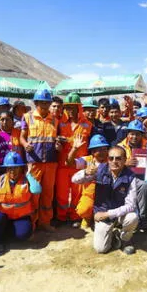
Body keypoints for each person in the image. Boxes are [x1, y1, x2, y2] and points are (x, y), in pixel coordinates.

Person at [19, 89, 60, 232]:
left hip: (50, 162)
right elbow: (22, 137)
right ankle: (32, 223)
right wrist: (25, 145)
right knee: (34, 194)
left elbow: (55, 140)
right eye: (41, 102)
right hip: (34, 162)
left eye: (47, 102)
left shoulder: (55, 120)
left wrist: (57, 145)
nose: (44, 105)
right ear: (36, 103)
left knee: (48, 194)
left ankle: (45, 221)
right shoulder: (27, 117)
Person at [0, 152, 38, 252]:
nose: (12, 171)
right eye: (9, 168)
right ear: (6, 169)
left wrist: (29, 175)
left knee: (24, 234)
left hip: (20, 217)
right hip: (2, 216)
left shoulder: (26, 179)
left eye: (16, 168)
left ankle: (6, 234)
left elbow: (36, 190)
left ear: (21, 168)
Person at [91, 146, 138, 255]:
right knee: (101, 249)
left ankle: (125, 239)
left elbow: (131, 205)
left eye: (118, 158)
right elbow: (75, 180)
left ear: (125, 160)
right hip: (102, 212)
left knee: (133, 217)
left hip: (115, 214)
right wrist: (85, 173)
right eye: (111, 158)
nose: (114, 161)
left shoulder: (131, 176)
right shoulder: (99, 170)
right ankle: (113, 234)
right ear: (107, 159)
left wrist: (108, 214)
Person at [55, 93, 92, 227]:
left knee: (77, 192)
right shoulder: (60, 124)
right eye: (68, 107)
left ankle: (75, 216)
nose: (70, 110)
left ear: (79, 108)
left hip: (79, 164)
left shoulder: (87, 125)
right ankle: (61, 216)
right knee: (62, 193)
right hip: (63, 163)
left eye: (73, 107)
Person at [71, 134, 110, 228]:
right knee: (83, 210)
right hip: (90, 195)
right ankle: (88, 218)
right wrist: (74, 149)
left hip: (107, 195)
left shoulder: (111, 159)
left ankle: (98, 218)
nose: (103, 152)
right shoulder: (87, 160)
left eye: (104, 149)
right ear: (92, 151)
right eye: (99, 150)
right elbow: (70, 163)